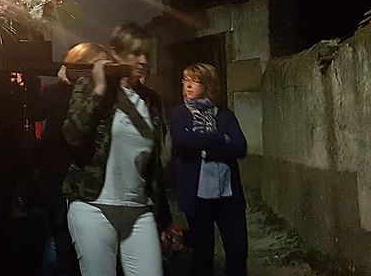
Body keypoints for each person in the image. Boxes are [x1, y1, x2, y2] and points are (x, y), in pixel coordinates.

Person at [61, 22, 172, 276]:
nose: (143, 60)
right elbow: (72, 134)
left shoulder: (151, 100)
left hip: (138, 207)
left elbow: (152, 164)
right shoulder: (90, 86)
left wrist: (163, 217)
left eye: (147, 53)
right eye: (135, 52)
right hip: (94, 204)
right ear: (116, 53)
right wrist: (100, 89)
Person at [36, 43, 109, 276]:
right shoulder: (61, 94)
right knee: (61, 247)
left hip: (73, 180)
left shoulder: (73, 93)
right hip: (62, 180)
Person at [170, 63, 248, 276]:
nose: (188, 87)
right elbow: (183, 139)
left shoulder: (224, 114)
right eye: (185, 82)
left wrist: (206, 152)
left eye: (195, 82)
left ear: (209, 85)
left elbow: (240, 147)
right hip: (198, 196)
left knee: (238, 252)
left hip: (228, 195)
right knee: (203, 254)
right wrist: (219, 139)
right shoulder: (180, 113)